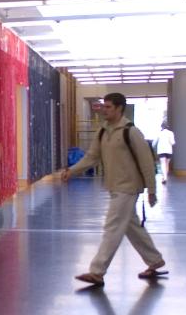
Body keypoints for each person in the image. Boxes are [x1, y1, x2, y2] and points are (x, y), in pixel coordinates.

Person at [60, 93, 166, 286]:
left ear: (119, 108)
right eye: (104, 106)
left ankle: (97, 271)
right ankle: (155, 261)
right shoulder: (103, 131)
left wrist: (152, 190)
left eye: (108, 107)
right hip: (114, 187)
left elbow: (147, 162)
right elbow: (91, 157)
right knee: (131, 227)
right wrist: (72, 171)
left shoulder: (131, 132)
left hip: (128, 188)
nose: (104, 110)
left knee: (113, 227)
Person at [155, 121, 175, 186]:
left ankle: (164, 178)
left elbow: (154, 143)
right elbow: (173, 142)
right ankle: (165, 177)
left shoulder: (159, 133)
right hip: (169, 150)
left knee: (163, 163)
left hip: (161, 150)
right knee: (167, 164)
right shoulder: (171, 133)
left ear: (162, 126)